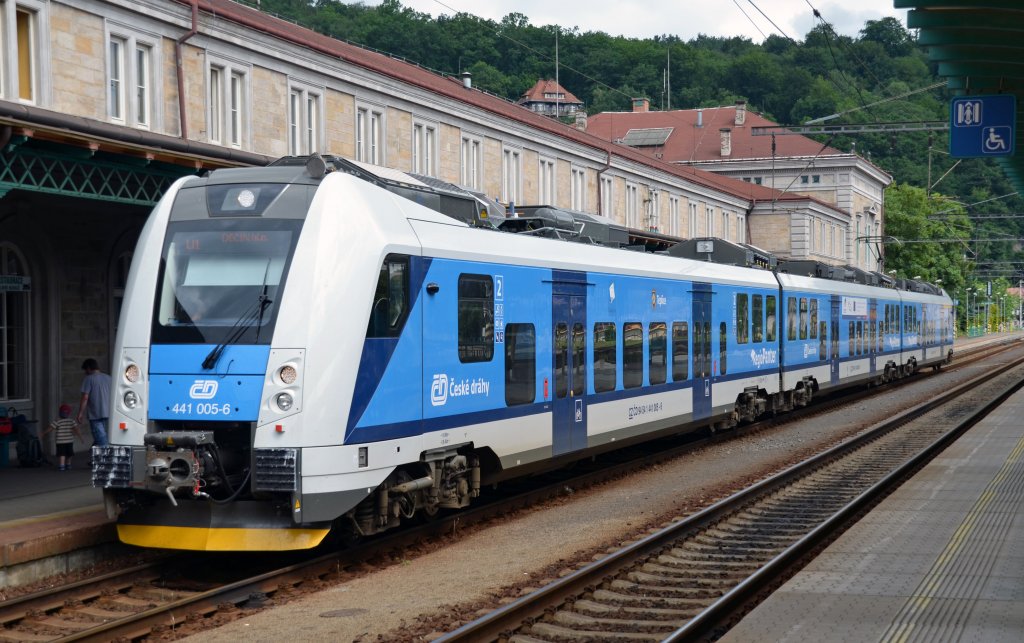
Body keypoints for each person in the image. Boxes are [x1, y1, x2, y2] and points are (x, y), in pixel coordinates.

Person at [77, 358, 112, 449]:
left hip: (95, 414)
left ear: (89, 368)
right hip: (110, 413)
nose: (85, 372)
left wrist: (80, 413)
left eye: (85, 370)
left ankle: (106, 456)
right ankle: (95, 454)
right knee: (105, 437)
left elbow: (85, 397)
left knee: (102, 441)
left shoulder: (89, 379)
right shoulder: (109, 378)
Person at [41, 403, 82, 471]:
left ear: (60, 413)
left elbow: (51, 428)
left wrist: (43, 433)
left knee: (62, 454)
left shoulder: (57, 421)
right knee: (69, 454)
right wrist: (80, 437)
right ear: (69, 413)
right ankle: (68, 464)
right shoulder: (71, 421)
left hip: (60, 441)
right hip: (69, 441)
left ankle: (62, 465)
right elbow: (76, 429)